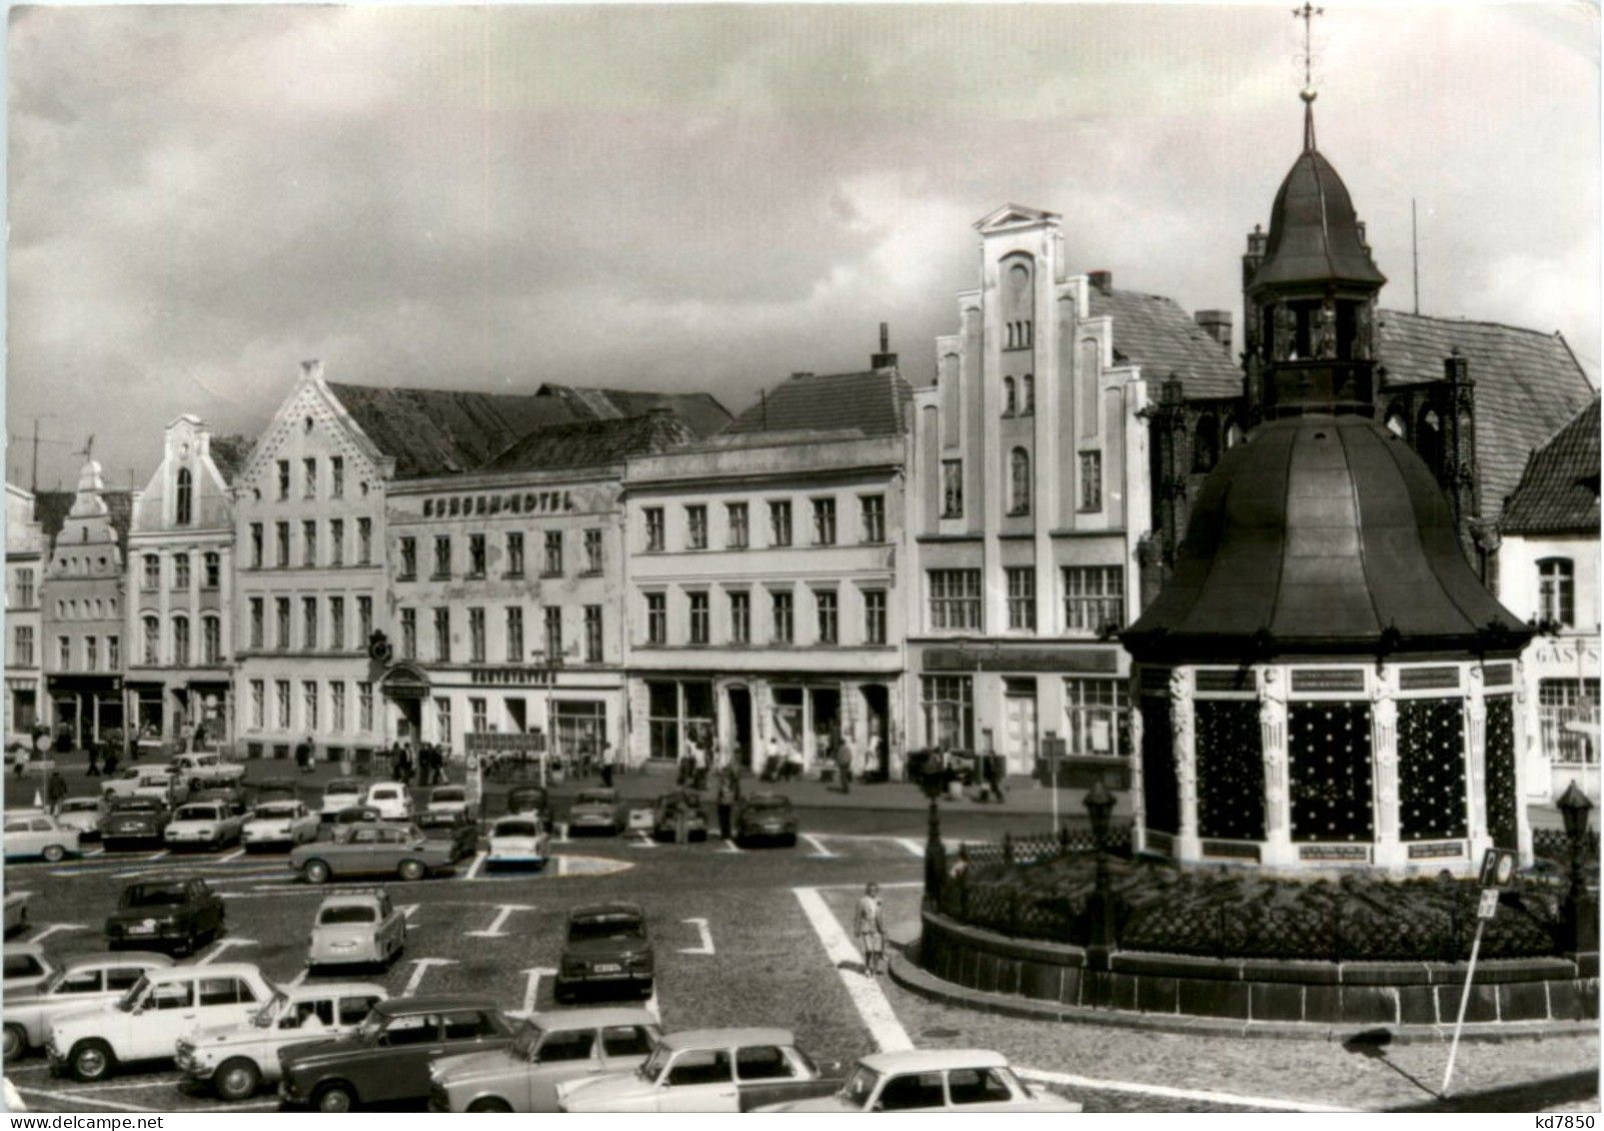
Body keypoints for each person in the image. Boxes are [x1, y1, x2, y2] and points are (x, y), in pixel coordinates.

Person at [855, 882, 886, 976]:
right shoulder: (862, 901)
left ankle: (875, 969)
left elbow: (880, 915)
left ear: (877, 891)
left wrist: (882, 928)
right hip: (866, 928)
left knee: (877, 950)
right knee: (868, 949)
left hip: (877, 928)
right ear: (867, 891)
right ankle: (867, 967)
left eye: (875, 890)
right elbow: (858, 916)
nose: (873, 892)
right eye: (871, 890)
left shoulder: (879, 901)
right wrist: (856, 929)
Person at [715, 769, 735, 840]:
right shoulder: (730, 784)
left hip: (723, 804)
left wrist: (719, 801)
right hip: (728, 803)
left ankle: (724, 834)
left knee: (723, 820)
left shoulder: (722, 785)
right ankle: (727, 834)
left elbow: (719, 796)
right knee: (727, 820)